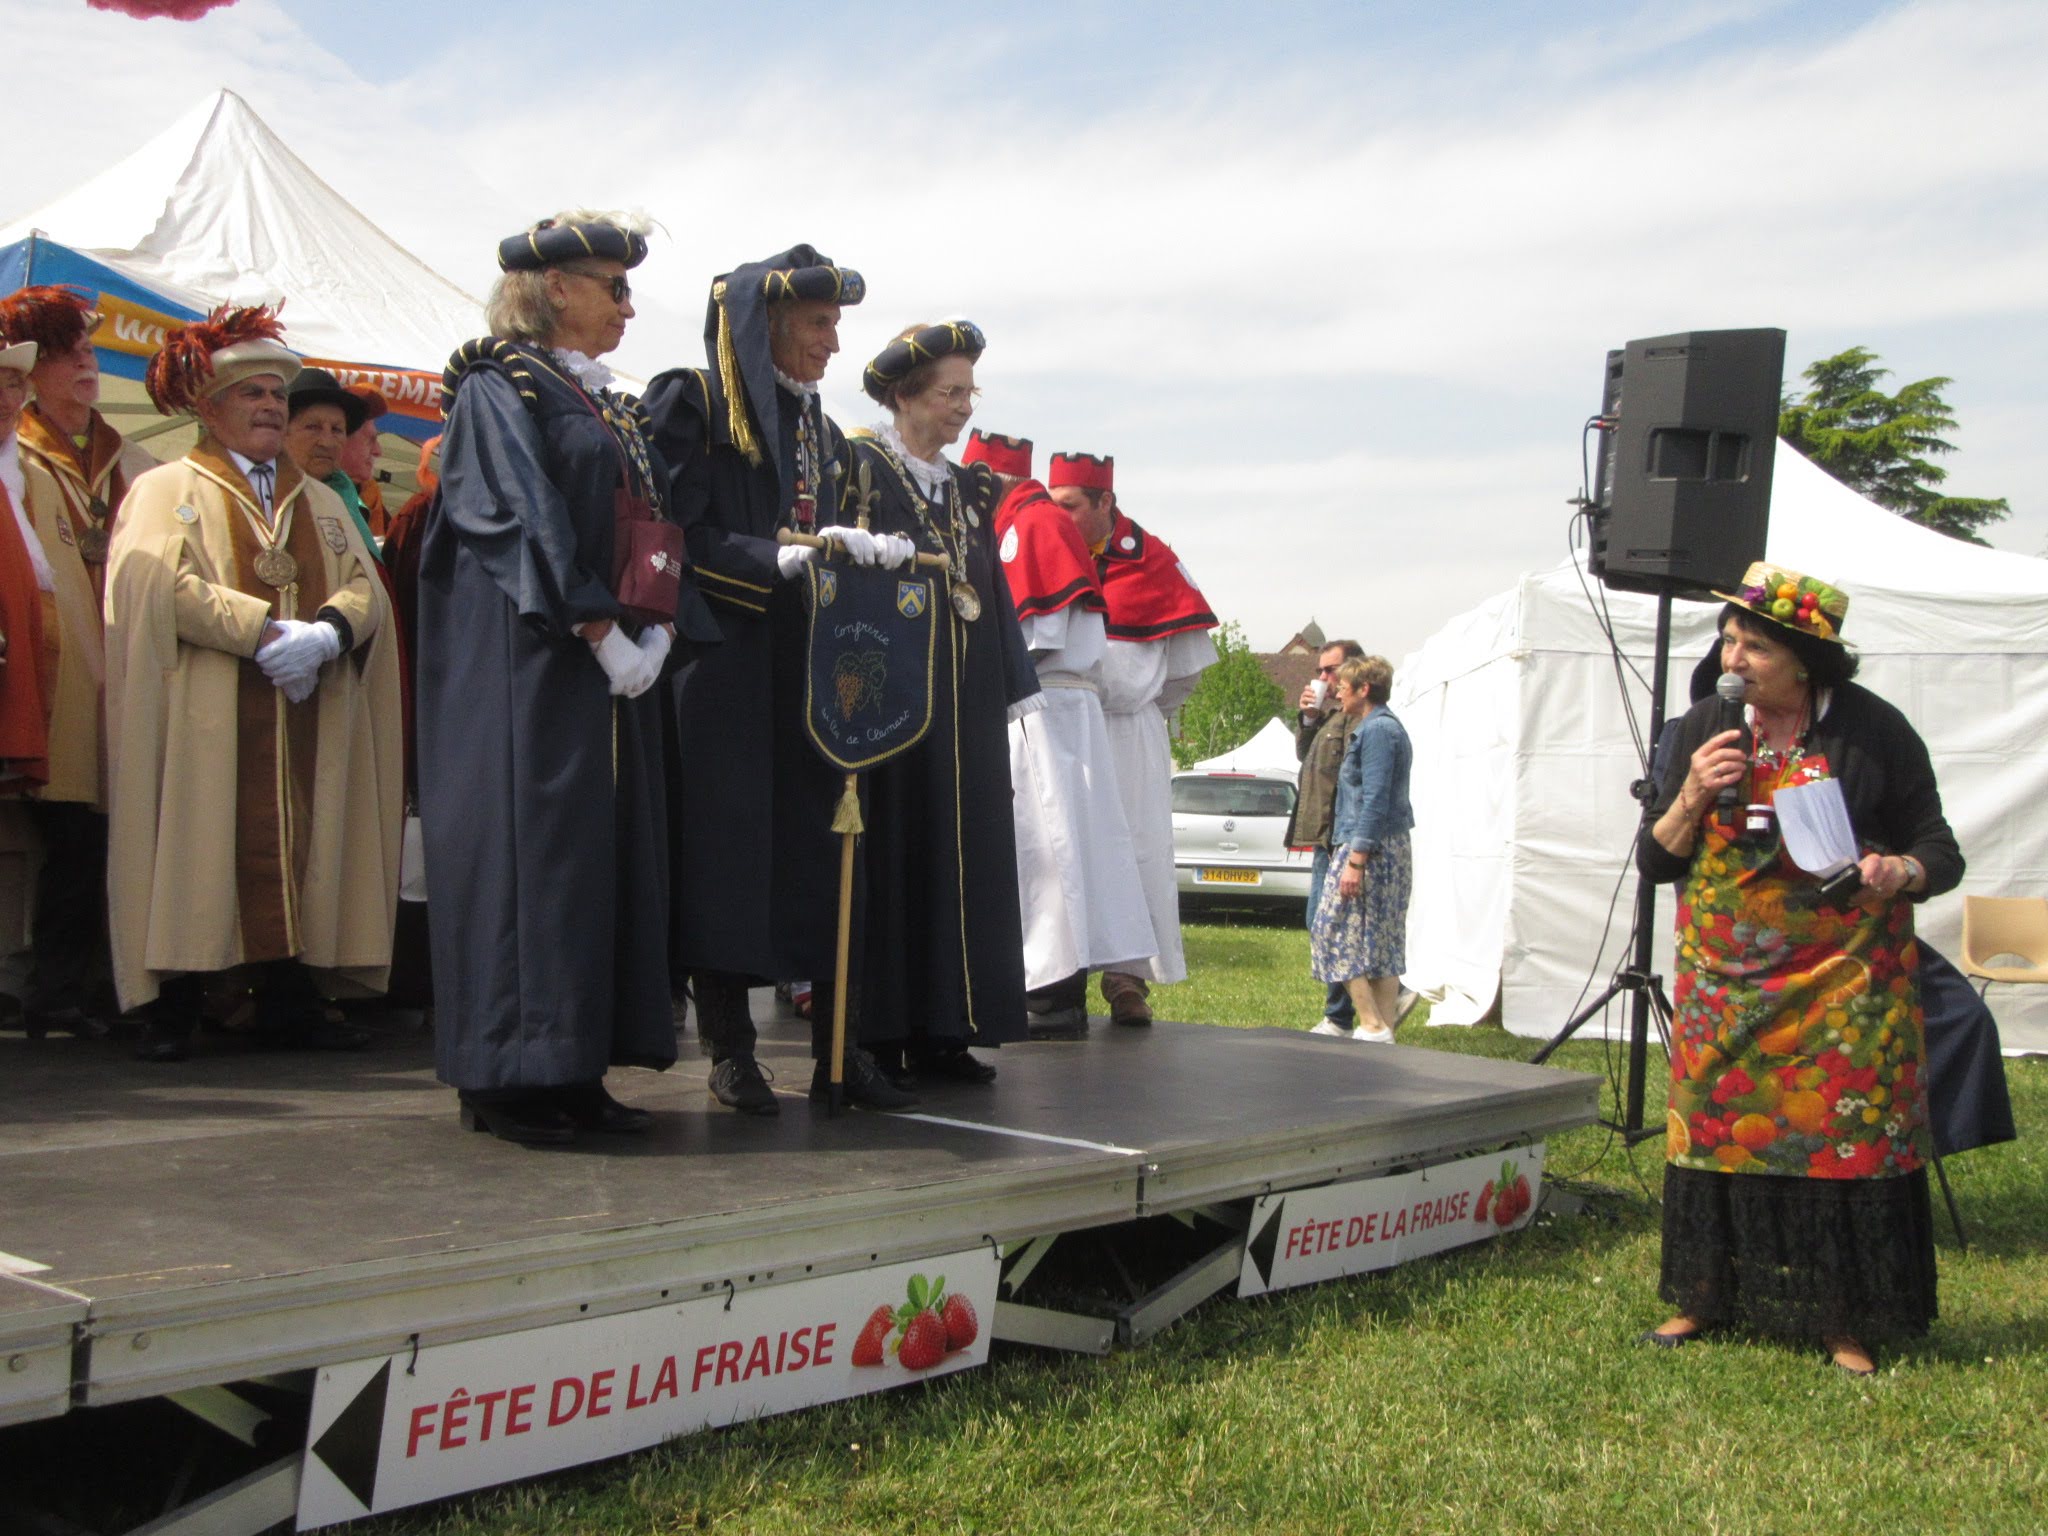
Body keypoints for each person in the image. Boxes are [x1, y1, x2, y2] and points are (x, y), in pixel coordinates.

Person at [419, 211, 715, 1145]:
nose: (628, 305)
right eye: (612, 285)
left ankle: (575, 1063)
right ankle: (511, 1075)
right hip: (530, 661)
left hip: (607, 665)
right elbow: (514, 515)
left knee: (597, 854)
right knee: (531, 853)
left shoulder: (604, 400)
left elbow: (649, 520)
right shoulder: (499, 384)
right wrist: (595, 625)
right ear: (554, 289)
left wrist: (660, 627)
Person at [1637, 563, 1961, 1376]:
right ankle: (1704, 1294)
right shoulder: (1703, 724)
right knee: (1713, 1134)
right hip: (1727, 982)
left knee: (1840, 1138)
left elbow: (1940, 851)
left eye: (1755, 647)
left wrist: (1899, 872)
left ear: (1808, 661)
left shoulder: (1872, 730)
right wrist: (1688, 797)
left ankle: (1842, 1317)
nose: (1732, 658)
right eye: (1730, 639)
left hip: (1843, 984)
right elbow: (1654, 861)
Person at [641, 245, 915, 1113]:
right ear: (767, 326)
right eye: (818, 324)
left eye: (837, 325)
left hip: (808, 673)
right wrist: (778, 560)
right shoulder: (691, 401)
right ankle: (731, 1051)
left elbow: (828, 532)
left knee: (825, 848)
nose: (834, 344)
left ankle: (840, 1048)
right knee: (725, 860)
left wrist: (864, 556)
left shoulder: (824, 431)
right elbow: (671, 535)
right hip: (720, 666)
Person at [106, 304, 402, 1062]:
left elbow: (366, 588)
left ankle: (285, 994)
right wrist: (262, 632)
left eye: (278, 394)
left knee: (305, 838)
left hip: (304, 711)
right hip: (205, 710)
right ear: (210, 409)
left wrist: (327, 632)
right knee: (194, 841)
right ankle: (174, 1000)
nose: (272, 406)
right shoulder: (166, 487)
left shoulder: (323, 500)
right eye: (254, 395)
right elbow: (155, 588)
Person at [848, 323, 1042, 1085]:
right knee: (901, 856)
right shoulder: (864, 468)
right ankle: (888, 1031)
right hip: (899, 705)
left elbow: (988, 595)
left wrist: (1009, 687)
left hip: (963, 706)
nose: (964, 408)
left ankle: (949, 1026)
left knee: (966, 857)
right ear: (903, 395)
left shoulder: (965, 490)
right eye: (948, 392)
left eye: (969, 392)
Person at [1, 286, 158, 1036]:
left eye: (90, 351)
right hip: (57, 670)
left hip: (122, 671)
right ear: (31, 377)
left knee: (108, 839)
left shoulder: (136, 462)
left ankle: (91, 983)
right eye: (69, 355)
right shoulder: (16, 458)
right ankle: (55, 988)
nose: (87, 365)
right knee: (70, 838)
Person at [967, 428, 1154, 1039]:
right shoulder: (1038, 521)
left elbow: (1035, 633)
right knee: (1066, 848)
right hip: (1059, 709)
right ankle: (1053, 991)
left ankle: (1050, 995)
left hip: (1040, 707)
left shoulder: (1031, 526)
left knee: (1045, 850)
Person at [1046, 451, 1216, 1024]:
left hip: (1130, 731)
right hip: (1065, 724)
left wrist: (1140, 708)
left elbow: (1187, 668)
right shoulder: (1048, 551)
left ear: (1105, 503)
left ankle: (1128, 978)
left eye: (1070, 506)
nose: (1059, 515)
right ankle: (1056, 973)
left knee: (1138, 847)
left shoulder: (1154, 561)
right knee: (1062, 845)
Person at [1310, 656, 1415, 1042]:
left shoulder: (1377, 732)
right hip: (1380, 845)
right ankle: (1382, 1034)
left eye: (1344, 685)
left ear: (1364, 689)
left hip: (1369, 847)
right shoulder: (1381, 728)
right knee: (1379, 942)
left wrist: (1356, 860)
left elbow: (1374, 799)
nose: (1336, 689)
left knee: (1332, 929)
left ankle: (1370, 1023)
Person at [1292, 638, 1364, 1034]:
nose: (1322, 676)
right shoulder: (1332, 717)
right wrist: (1307, 718)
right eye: (1319, 670)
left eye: (1329, 670)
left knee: (1330, 923)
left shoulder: (1361, 717)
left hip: (1343, 838)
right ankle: (1346, 1010)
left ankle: (1340, 1016)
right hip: (1325, 837)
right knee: (1321, 921)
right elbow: (1305, 757)